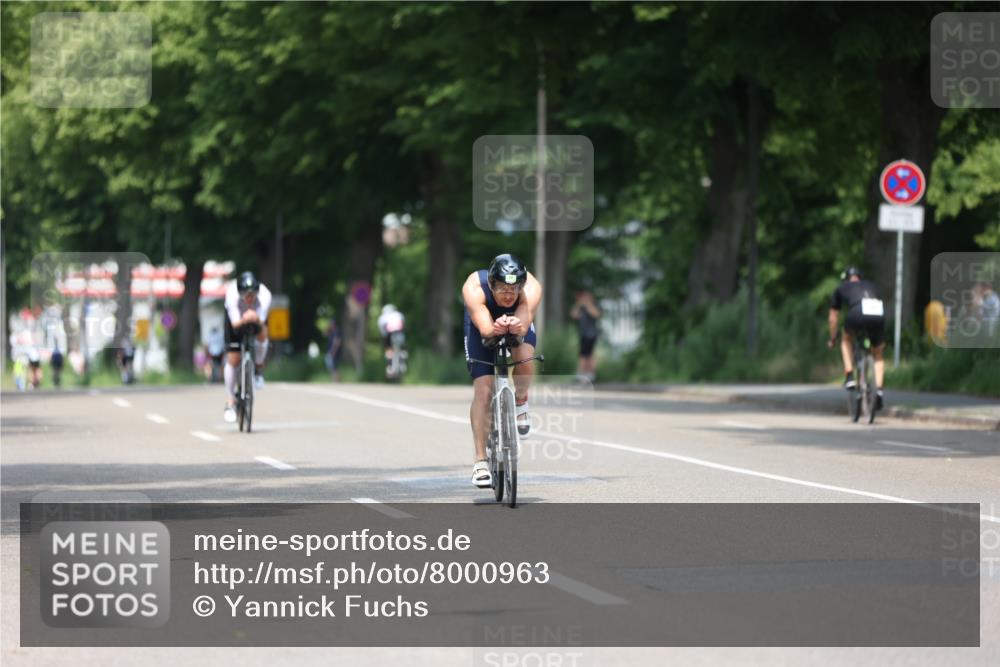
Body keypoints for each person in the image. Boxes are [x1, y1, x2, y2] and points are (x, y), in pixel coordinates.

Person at [462, 253, 542, 488]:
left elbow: (524, 324)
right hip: (483, 323)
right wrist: (493, 328)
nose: (509, 295)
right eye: (503, 289)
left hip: (518, 320)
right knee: (484, 390)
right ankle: (480, 461)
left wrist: (517, 327)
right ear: (492, 285)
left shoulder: (531, 288)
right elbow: (486, 329)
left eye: (514, 289)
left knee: (525, 357)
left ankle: (521, 399)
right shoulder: (475, 287)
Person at [827, 266, 886, 409]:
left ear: (846, 278)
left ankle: (849, 375)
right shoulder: (872, 285)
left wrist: (833, 338)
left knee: (846, 340)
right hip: (878, 312)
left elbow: (833, 318)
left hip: (858, 311)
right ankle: (878, 390)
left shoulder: (842, 287)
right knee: (878, 353)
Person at [222, 271, 272, 423]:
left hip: (256, 320)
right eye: (247, 296)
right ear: (240, 293)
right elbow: (235, 323)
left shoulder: (265, 296)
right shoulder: (231, 295)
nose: (250, 299)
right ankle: (230, 400)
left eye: (253, 295)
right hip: (236, 321)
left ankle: (258, 368)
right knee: (233, 358)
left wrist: (254, 317)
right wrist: (245, 318)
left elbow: (261, 321)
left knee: (263, 336)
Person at [570, 289, 601, 383]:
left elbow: (596, 315)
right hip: (583, 334)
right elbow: (573, 315)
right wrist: (579, 304)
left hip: (591, 334)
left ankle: (587, 374)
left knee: (586, 355)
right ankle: (586, 374)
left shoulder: (593, 306)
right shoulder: (581, 308)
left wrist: (588, 304)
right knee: (585, 354)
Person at [324, 317, 343, 382]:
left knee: (334, 366)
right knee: (331, 366)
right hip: (330, 351)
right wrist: (328, 329)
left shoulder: (337, 331)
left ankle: (337, 380)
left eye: (331, 323)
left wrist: (333, 351)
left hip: (334, 351)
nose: (330, 324)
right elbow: (325, 334)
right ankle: (334, 379)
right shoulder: (331, 331)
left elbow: (337, 342)